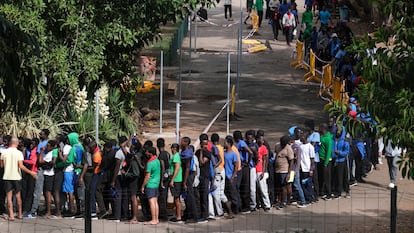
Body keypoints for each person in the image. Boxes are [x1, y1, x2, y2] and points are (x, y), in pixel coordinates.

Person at [0, 137, 37, 220]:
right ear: (16, 143)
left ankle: (11, 215)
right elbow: (21, 166)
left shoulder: (4, 152)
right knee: (18, 196)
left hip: (7, 176)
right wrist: (31, 172)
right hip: (17, 176)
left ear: (9, 143)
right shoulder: (19, 153)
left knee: (9, 197)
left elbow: (1, 165)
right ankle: (20, 214)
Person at [24, 129, 49, 218]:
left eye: (41, 134)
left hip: (40, 169)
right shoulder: (42, 144)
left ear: (45, 135)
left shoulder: (44, 144)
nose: (40, 135)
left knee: (37, 191)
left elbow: (38, 159)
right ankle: (36, 209)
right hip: (40, 169)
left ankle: (33, 211)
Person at [233, 130, 253, 213]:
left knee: (245, 186)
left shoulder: (241, 143)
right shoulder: (239, 143)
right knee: (241, 186)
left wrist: (247, 162)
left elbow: (250, 152)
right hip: (241, 166)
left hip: (245, 167)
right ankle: (242, 205)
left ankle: (247, 206)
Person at [141, 146, 161, 225]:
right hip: (156, 183)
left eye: (147, 152)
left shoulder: (150, 163)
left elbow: (147, 176)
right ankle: (156, 218)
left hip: (150, 184)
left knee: (151, 202)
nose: (146, 153)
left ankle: (153, 219)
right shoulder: (157, 160)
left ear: (150, 153)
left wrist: (142, 186)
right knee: (155, 202)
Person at [195, 135, 212, 223]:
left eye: (206, 144)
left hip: (205, 177)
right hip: (199, 176)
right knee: (199, 196)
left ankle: (205, 215)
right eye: (203, 144)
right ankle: (200, 214)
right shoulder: (197, 152)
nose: (205, 146)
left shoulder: (207, 153)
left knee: (204, 196)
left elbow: (201, 162)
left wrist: (202, 152)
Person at [274, 135, 294, 209]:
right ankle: (279, 200)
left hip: (285, 170)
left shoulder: (288, 149)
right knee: (279, 186)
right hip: (277, 170)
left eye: (283, 144)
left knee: (285, 186)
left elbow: (291, 161)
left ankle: (285, 201)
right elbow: (276, 155)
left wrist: (289, 173)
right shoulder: (277, 145)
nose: (282, 145)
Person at [332, 126, 351, 199]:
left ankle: (345, 191)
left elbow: (347, 151)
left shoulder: (345, 141)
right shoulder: (333, 139)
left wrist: (340, 153)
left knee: (343, 176)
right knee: (336, 177)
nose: (337, 133)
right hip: (335, 160)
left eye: (339, 132)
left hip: (342, 161)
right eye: (336, 131)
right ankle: (337, 190)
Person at [223, 136, 238, 218]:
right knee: (227, 194)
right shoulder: (224, 153)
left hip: (231, 177)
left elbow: (236, 166)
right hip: (225, 177)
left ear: (228, 144)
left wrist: (232, 177)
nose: (224, 144)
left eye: (225, 142)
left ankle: (235, 210)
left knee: (233, 194)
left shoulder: (233, 154)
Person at [255, 134, 271, 211]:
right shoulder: (255, 147)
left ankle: (267, 204)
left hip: (260, 170)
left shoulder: (264, 148)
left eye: (263, 139)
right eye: (261, 139)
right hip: (255, 170)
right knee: (256, 189)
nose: (262, 141)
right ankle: (259, 203)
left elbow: (265, 160)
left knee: (263, 188)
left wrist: (263, 171)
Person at [168, 143, 183, 223]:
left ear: (174, 149)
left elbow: (177, 168)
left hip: (176, 180)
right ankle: (177, 215)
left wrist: (172, 179)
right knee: (176, 198)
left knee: (177, 199)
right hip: (176, 179)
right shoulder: (176, 156)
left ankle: (179, 217)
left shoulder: (176, 156)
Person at [156, 138, 170, 222]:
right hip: (167, 176)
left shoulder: (161, 155)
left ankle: (163, 214)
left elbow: (163, 166)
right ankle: (164, 213)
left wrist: (161, 181)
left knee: (162, 196)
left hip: (163, 178)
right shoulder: (167, 153)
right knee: (164, 196)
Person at [299, 131, 315, 203]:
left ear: (305, 138)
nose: (300, 138)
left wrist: (311, 169)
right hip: (301, 168)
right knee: (302, 184)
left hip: (307, 169)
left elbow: (312, 159)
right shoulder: (300, 146)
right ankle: (305, 197)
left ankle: (309, 198)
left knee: (308, 184)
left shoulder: (310, 147)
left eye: (301, 137)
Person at [319, 123, 333, 200]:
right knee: (322, 177)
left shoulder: (328, 139)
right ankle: (323, 191)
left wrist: (326, 163)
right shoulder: (322, 136)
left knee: (327, 178)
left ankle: (329, 193)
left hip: (326, 160)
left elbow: (328, 152)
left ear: (323, 128)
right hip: (321, 159)